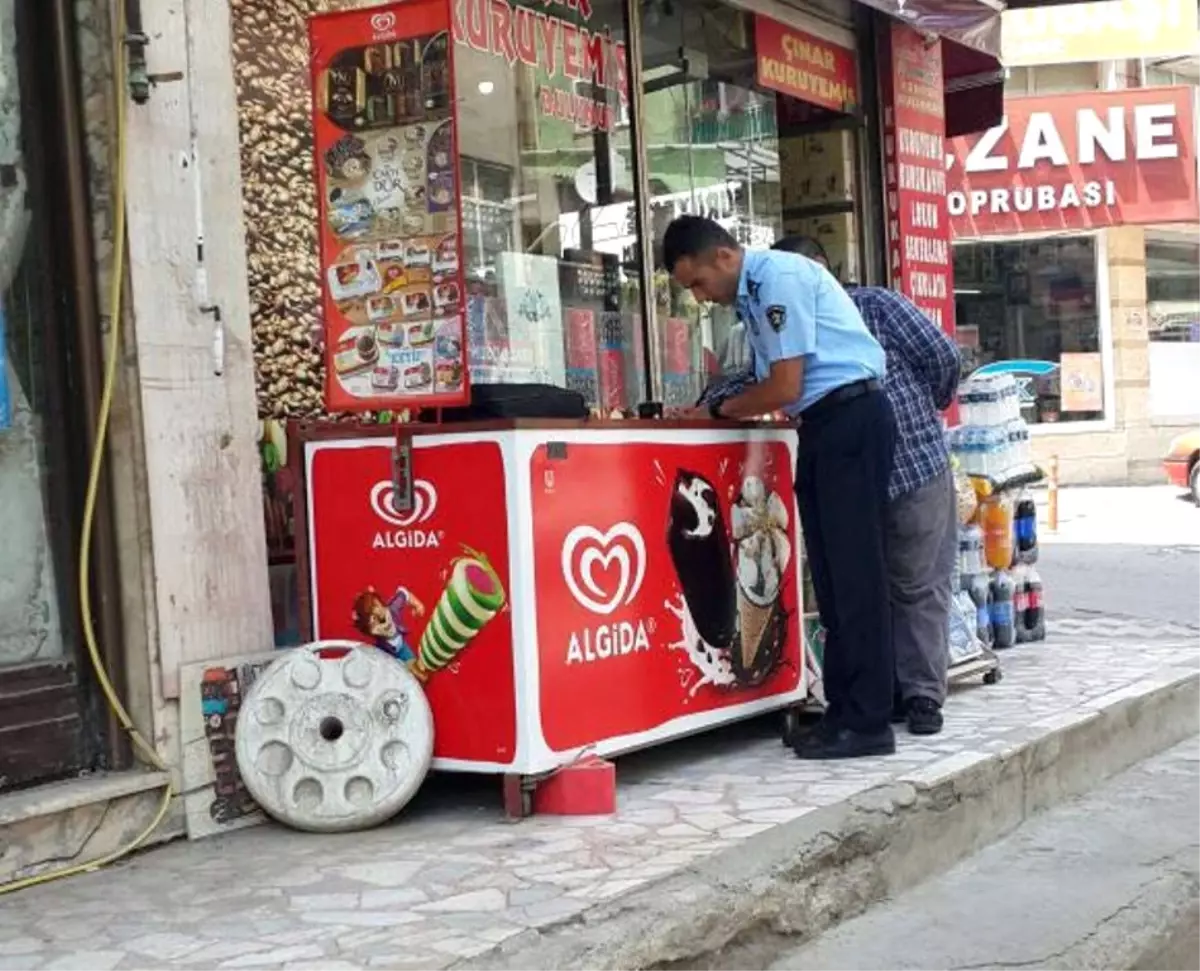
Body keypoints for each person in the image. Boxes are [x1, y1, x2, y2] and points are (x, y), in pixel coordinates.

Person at [662, 215, 897, 760]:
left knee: (856, 576)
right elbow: (774, 383)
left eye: (697, 282)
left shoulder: (777, 279)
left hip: (851, 419)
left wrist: (718, 410)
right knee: (833, 581)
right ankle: (843, 711)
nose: (700, 298)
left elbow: (784, 384)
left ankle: (868, 722)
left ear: (722, 256)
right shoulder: (752, 295)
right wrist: (708, 407)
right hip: (822, 425)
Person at [772, 235, 960, 736]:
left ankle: (922, 697)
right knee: (862, 588)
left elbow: (943, 357)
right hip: (849, 474)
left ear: (821, 273)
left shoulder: (878, 305)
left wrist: (924, 415)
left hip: (913, 465)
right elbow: (760, 378)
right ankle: (887, 691)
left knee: (917, 584)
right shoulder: (784, 325)